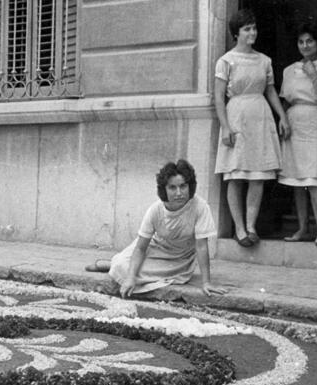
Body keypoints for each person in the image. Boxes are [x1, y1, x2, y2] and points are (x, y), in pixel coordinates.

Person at [91, 160, 227, 298]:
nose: (179, 193)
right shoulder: (155, 210)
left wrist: (206, 282)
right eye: (172, 188)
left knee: (125, 269)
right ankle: (115, 265)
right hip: (154, 247)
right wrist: (131, 278)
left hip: (178, 259)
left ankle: (112, 267)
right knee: (123, 267)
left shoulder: (200, 207)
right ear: (164, 190)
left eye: (183, 186)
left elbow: (202, 247)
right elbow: (140, 248)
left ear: (190, 186)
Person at [214, 8, 290, 248]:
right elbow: (218, 98)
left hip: (260, 116)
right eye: (247, 29)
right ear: (236, 33)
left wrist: (282, 116)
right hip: (236, 115)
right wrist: (225, 127)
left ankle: (251, 226)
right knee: (236, 176)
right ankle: (238, 228)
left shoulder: (264, 60)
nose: (252, 32)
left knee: (257, 176)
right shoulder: (226, 61)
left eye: (254, 28)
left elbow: (270, 91)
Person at [278, 20, 317, 245]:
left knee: (314, 179)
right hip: (294, 125)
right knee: (297, 181)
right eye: (301, 42)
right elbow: (285, 101)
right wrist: (282, 121)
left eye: (309, 41)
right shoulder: (289, 70)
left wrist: (313, 74)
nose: (305, 45)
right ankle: (302, 228)